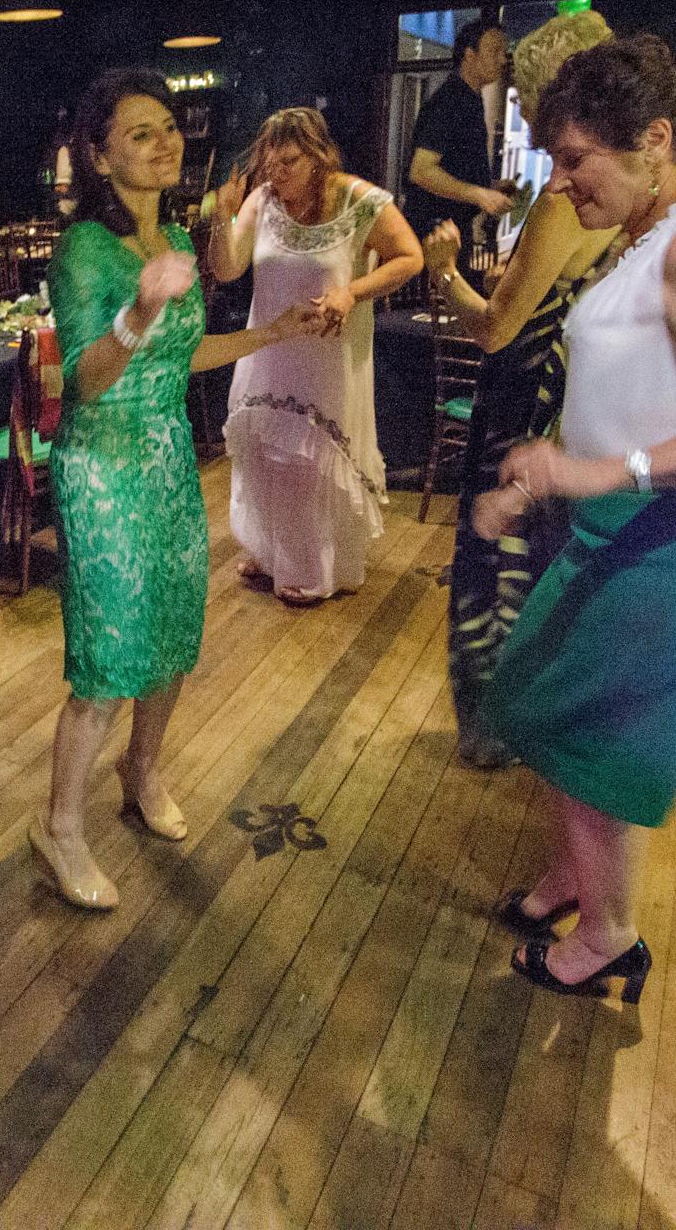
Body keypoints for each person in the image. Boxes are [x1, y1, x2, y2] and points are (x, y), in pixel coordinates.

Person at [470, 34, 676, 1006]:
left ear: (652, 138)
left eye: (574, 161)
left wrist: (602, 467)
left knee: (594, 738)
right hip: (623, 529)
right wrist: (554, 474)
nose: (558, 184)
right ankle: (574, 879)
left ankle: (607, 936)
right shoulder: (655, 233)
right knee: (534, 699)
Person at [32, 70, 320, 911]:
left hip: (164, 455)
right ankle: (59, 828)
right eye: (139, 134)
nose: (164, 144)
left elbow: (180, 359)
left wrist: (273, 332)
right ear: (99, 154)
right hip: (101, 464)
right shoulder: (84, 248)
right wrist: (136, 317)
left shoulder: (181, 246)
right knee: (109, 658)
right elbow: (82, 380)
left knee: (170, 629)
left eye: (167, 128)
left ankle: (143, 770)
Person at [421, 10, 623, 768]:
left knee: (496, 555)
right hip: (576, 396)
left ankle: (494, 725)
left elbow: (498, 329)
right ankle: (544, 723)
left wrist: (445, 276)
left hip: (524, 394)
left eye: (528, 97)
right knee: (549, 555)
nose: (527, 120)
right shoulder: (627, 198)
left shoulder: (562, 203)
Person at [211, 107, 424, 605]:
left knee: (311, 464)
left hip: (328, 357)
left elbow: (410, 257)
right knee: (265, 457)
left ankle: (315, 567)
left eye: (288, 162)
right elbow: (226, 269)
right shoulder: (261, 202)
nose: (276, 174)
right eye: (269, 163)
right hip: (267, 348)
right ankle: (271, 554)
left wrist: (352, 292)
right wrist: (223, 217)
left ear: (317, 157)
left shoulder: (358, 199)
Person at [406, 18, 513, 254]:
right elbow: (421, 171)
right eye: (495, 50)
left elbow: (453, 167)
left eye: (504, 52)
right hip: (434, 233)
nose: (503, 59)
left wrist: (489, 186)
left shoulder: (469, 100)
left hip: (451, 229)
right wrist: (480, 194)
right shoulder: (449, 101)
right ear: (469, 54)